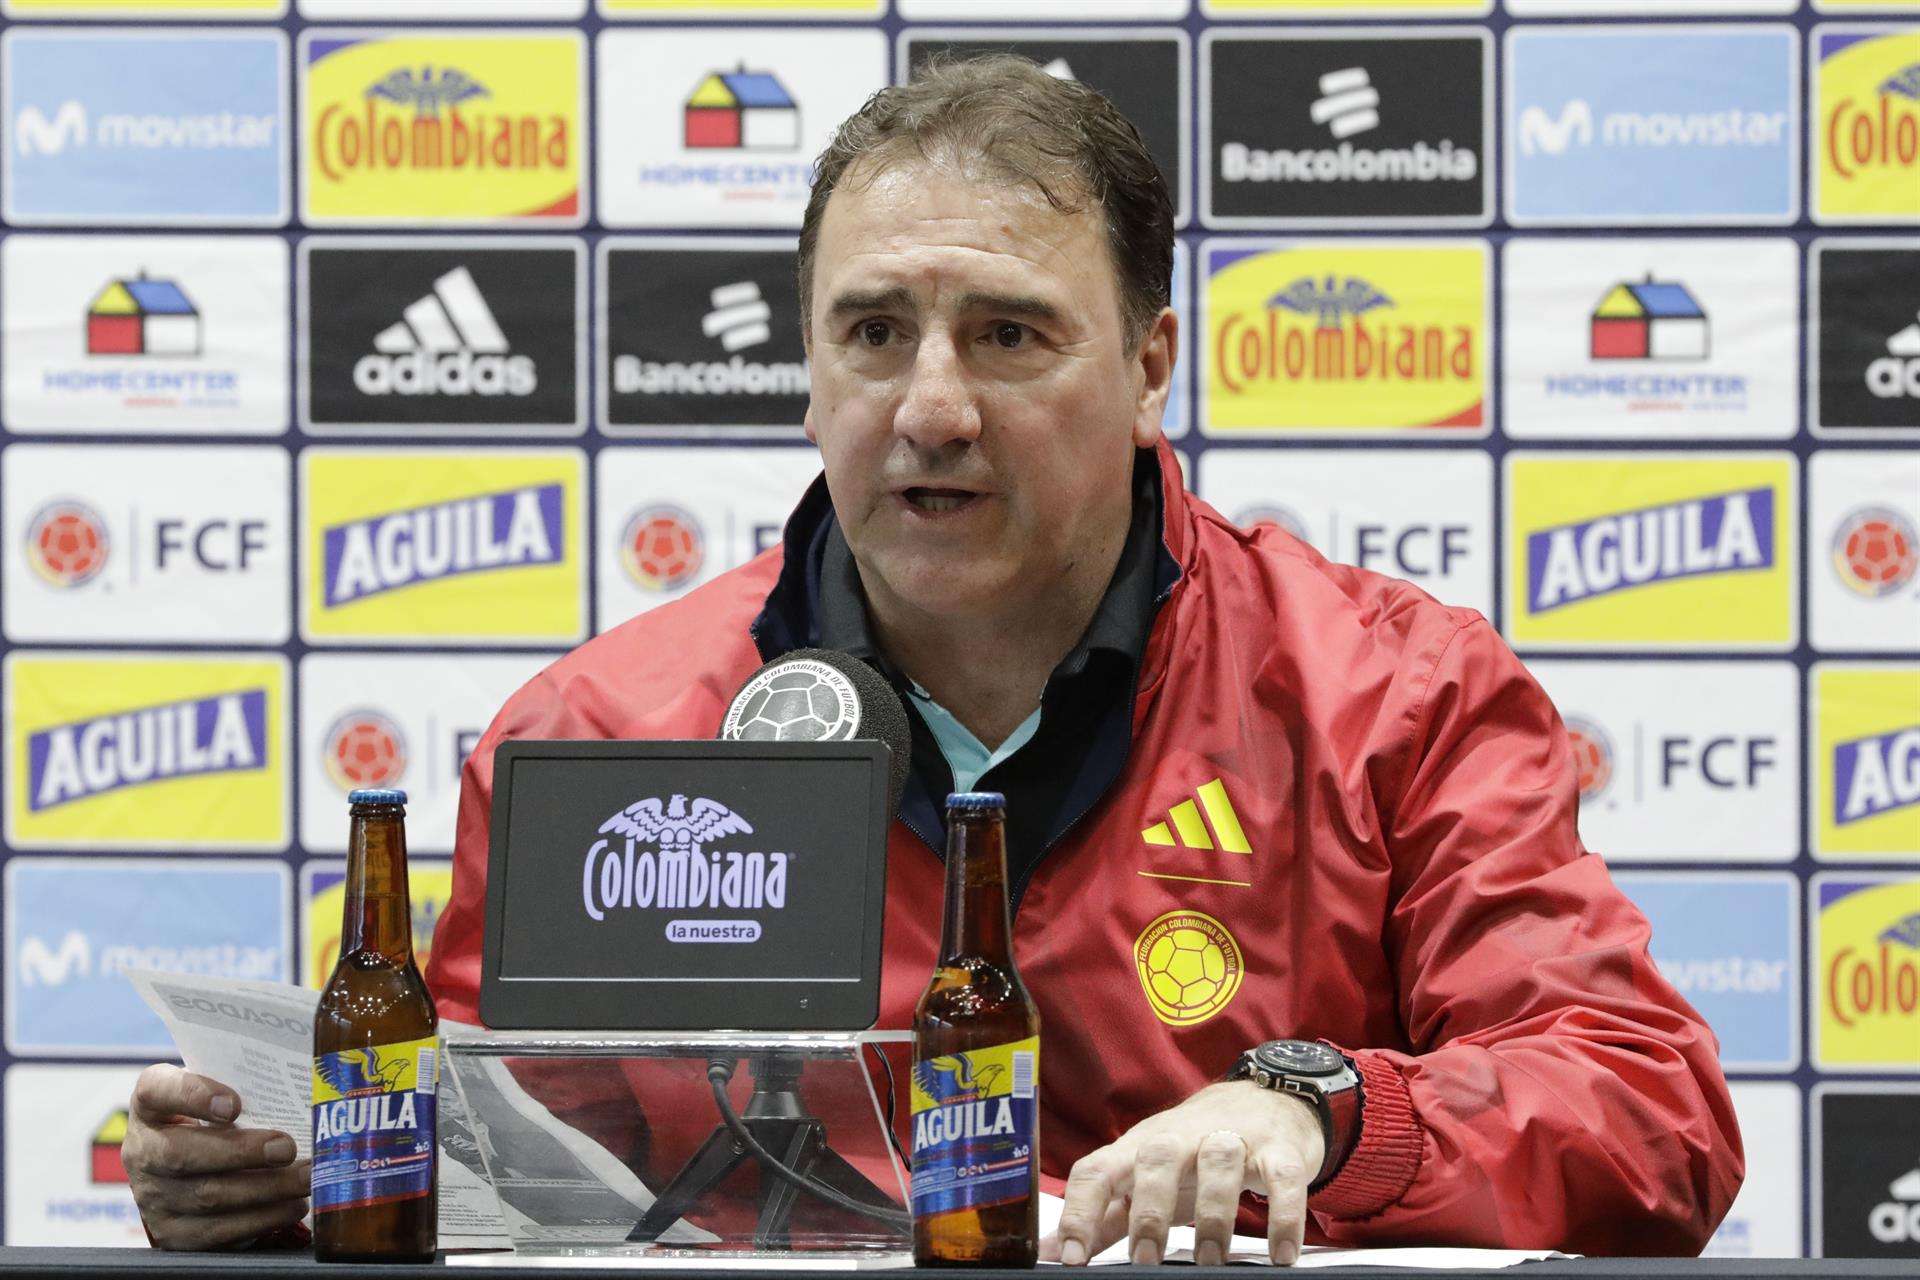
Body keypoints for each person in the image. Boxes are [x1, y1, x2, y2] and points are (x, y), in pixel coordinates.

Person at [125, 56, 1743, 1262]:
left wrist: (1319, 1112)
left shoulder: (1393, 694)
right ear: (810, 367)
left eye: (1012, 335)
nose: (934, 408)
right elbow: (488, 1175)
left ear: (1152, 364)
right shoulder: (608, 728)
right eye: (874, 330)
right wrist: (283, 1187)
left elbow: (1648, 1114)